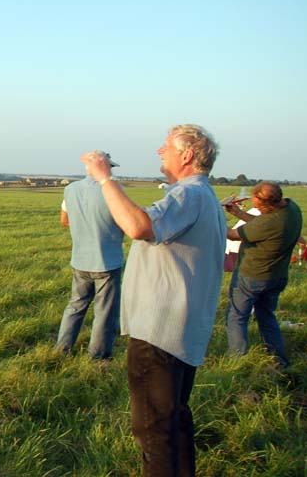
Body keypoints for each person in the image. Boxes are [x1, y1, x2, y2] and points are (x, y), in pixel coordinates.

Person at [82, 124, 224, 477]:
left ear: (187, 155)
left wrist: (104, 179)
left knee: (153, 430)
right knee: (174, 418)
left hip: (160, 330)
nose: (160, 152)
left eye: (166, 148)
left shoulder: (187, 195)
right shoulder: (205, 197)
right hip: (183, 328)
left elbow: (139, 227)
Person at [224, 182, 304, 368]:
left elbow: (233, 235)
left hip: (252, 277)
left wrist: (214, 216)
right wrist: (237, 213)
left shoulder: (270, 222)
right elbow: (261, 224)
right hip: (277, 277)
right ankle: (280, 360)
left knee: (236, 317)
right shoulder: (291, 209)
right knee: (266, 316)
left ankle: (238, 364)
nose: (256, 206)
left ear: (267, 204)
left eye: (257, 204)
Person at [56, 150, 125, 360]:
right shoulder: (113, 190)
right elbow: (124, 220)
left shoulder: (71, 189)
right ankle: (98, 357)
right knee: (104, 312)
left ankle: (61, 349)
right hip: (107, 261)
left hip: (80, 259)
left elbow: (64, 221)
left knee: (75, 305)